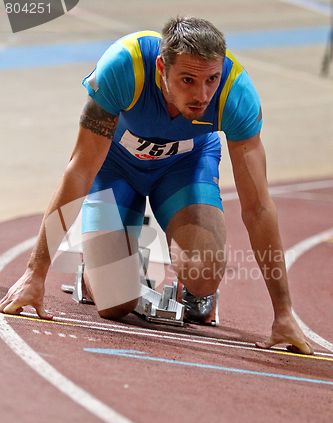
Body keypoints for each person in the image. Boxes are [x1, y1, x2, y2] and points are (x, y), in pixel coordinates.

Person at [0, 17, 313, 354]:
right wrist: (36, 272)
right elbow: (79, 170)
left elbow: (258, 207)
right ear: (162, 67)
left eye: (211, 80)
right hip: (115, 166)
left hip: (184, 168)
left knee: (204, 273)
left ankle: (189, 291)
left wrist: (283, 312)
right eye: (188, 80)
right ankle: (96, 267)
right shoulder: (124, 67)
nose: (202, 95)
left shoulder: (236, 95)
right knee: (115, 303)